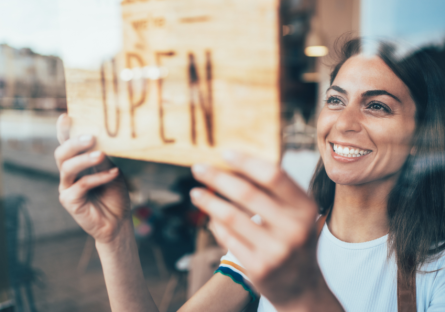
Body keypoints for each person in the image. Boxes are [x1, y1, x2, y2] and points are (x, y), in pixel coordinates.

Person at [54, 38, 445, 311]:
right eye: (335, 100)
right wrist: (115, 236)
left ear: (420, 135)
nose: (343, 123)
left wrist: (302, 293)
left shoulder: (437, 270)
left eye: (376, 106)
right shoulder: (270, 234)